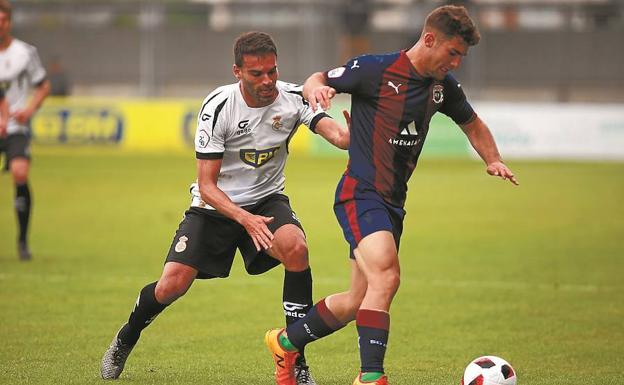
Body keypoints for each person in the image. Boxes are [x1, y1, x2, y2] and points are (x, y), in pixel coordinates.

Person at [264, 5, 518, 385]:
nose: (456, 63)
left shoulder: (441, 88)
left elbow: (472, 123)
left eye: (462, 57)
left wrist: (493, 159)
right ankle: (371, 377)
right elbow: (318, 78)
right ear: (429, 39)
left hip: (392, 204)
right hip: (359, 193)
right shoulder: (376, 70)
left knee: (356, 300)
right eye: (453, 52)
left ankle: (285, 341)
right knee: (387, 275)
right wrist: (316, 86)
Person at [100, 31, 349, 385]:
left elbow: (338, 137)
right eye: (256, 74)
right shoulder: (219, 106)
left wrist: (357, 134)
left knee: (297, 249)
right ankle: (127, 336)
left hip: (266, 200)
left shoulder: (294, 98)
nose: (267, 81)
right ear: (237, 72)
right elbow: (207, 185)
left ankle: (294, 360)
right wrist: (245, 219)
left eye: (272, 72)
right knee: (172, 286)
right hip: (213, 206)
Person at [0, 0, 51, 261]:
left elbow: (43, 85)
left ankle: (21, 240)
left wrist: (29, 110)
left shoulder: (24, 53)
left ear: (9, 22)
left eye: (3, 21)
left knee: (20, 172)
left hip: (16, 126)